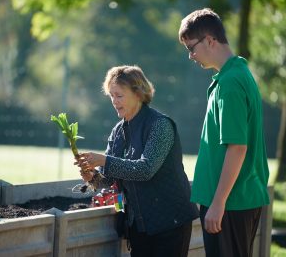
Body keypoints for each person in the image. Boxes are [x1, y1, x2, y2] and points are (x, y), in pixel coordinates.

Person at [76, 65, 199, 257]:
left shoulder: (160, 125)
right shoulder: (118, 130)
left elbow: (145, 169)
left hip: (170, 222)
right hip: (140, 225)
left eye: (119, 95)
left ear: (138, 94)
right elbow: (109, 179)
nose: (114, 101)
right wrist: (92, 176)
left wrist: (104, 160)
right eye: (111, 95)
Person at [178, 8, 270, 257]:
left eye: (191, 48)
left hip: (230, 202)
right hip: (230, 201)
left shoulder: (230, 84)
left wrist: (218, 204)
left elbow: (238, 147)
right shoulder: (234, 75)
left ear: (210, 40)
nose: (191, 56)